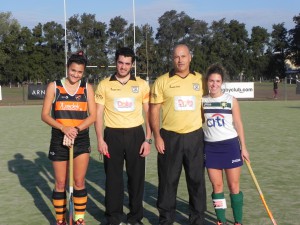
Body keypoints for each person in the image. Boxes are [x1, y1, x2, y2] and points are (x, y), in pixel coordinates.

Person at [150, 44, 207, 225]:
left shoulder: (201, 80)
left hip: (195, 137)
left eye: (183, 56)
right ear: (172, 59)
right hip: (170, 137)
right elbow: (153, 111)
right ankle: (166, 219)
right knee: (168, 181)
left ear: (190, 57)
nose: (180, 60)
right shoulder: (162, 81)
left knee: (196, 180)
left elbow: (209, 105)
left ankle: (197, 219)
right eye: (176, 57)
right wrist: (157, 136)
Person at [94, 47, 151, 225]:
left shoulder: (141, 84)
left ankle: (135, 217)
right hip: (112, 135)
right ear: (116, 62)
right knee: (113, 179)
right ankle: (114, 217)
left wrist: (148, 139)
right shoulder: (104, 84)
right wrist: (100, 139)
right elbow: (97, 114)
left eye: (127, 63)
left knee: (136, 178)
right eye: (120, 62)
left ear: (132, 65)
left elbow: (149, 113)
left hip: (136, 134)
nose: (123, 67)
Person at [41, 51, 96, 225]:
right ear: (67, 68)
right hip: (59, 137)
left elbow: (93, 116)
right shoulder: (54, 86)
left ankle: (79, 219)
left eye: (79, 72)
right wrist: (64, 128)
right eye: (73, 70)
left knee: (79, 181)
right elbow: (44, 115)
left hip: (80, 137)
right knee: (60, 182)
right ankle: (60, 220)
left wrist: (75, 129)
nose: (75, 74)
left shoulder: (87, 87)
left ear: (83, 72)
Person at [202, 63, 250, 225]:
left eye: (217, 81)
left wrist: (243, 147)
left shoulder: (231, 100)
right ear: (207, 81)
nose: (214, 84)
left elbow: (238, 123)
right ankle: (220, 221)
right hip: (210, 147)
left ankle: (237, 221)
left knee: (234, 185)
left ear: (221, 82)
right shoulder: (203, 101)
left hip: (230, 146)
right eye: (211, 81)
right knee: (217, 186)